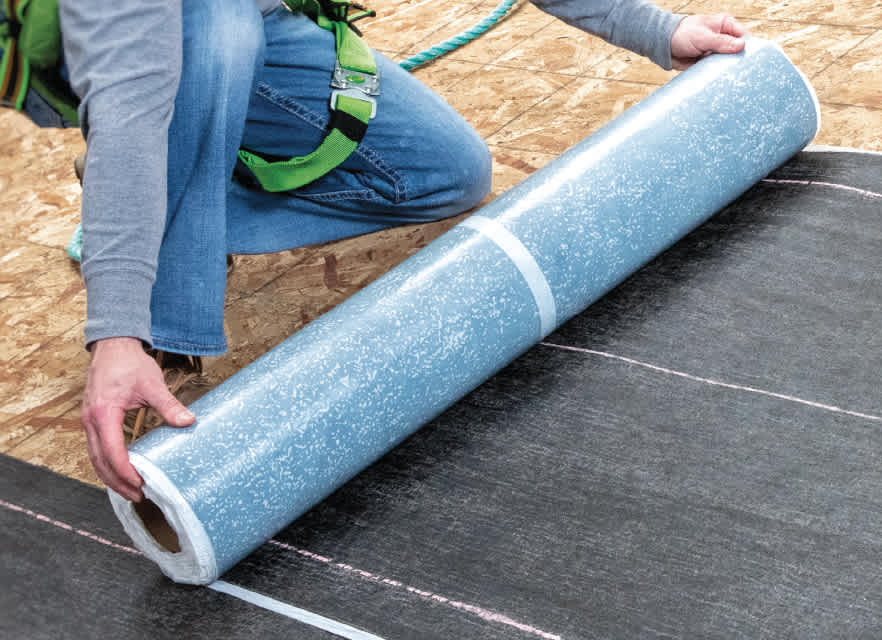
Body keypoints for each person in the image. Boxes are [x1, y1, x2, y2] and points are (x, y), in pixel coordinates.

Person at [61, 0, 749, 502]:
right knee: (215, 38)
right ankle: (154, 281)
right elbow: (128, 109)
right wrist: (116, 333)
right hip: (136, 43)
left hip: (255, 22)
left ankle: (160, 199)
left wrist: (657, 30)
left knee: (447, 172)